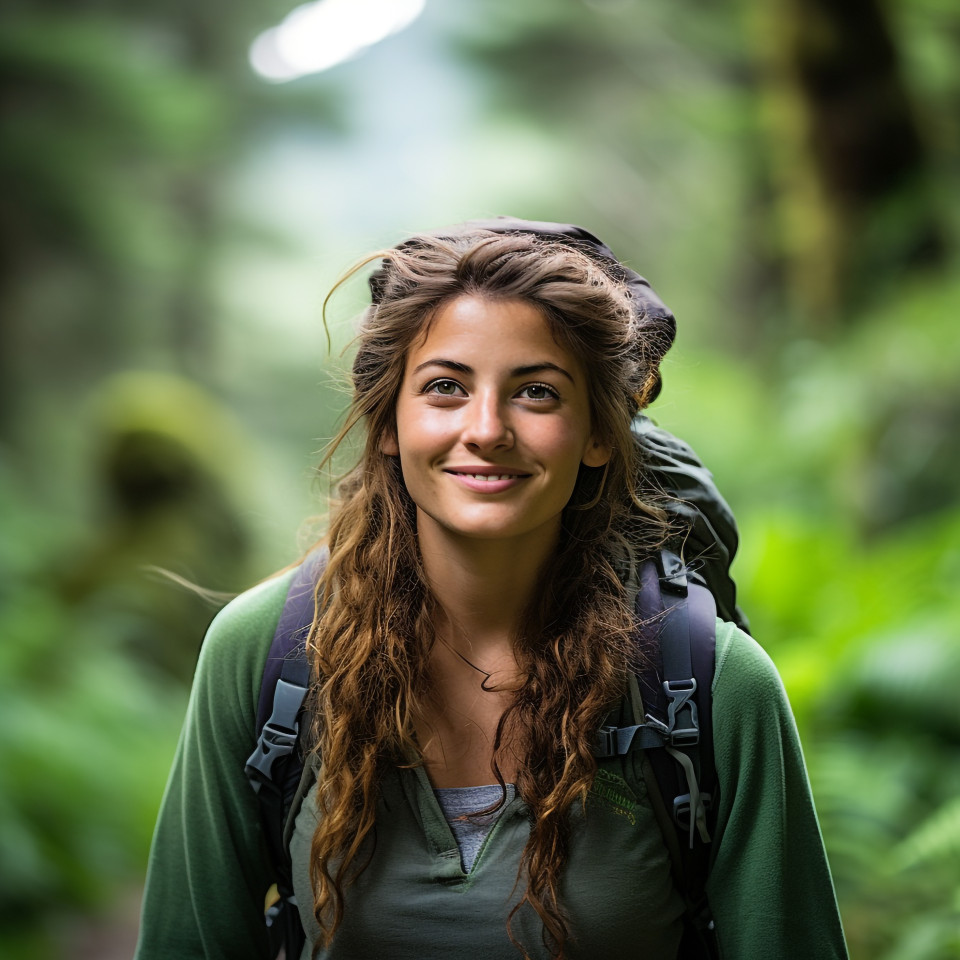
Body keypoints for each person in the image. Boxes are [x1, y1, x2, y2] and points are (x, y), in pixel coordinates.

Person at [134, 219, 849, 960]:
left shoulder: (710, 685)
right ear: (389, 422)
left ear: (601, 434)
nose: (486, 429)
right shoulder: (266, 656)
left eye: (536, 392)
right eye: (445, 387)